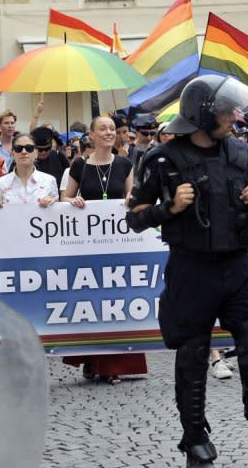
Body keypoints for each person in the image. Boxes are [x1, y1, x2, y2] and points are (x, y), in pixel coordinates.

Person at [126, 74, 248, 467]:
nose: (233, 118)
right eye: (224, 112)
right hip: (191, 268)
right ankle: (196, 439)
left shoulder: (244, 154)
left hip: (239, 267)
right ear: (203, 115)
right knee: (192, 354)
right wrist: (169, 209)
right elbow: (134, 217)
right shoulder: (163, 159)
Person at [61, 116, 147, 383]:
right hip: (86, 244)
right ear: (92, 135)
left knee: (115, 300)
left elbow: (131, 196)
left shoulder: (124, 164)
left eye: (112, 129)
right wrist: (72, 201)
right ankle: (92, 360)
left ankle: (114, 367)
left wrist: (130, 200)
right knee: (91, 300)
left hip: (116, 242)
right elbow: (64, 196)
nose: (109, 132)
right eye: (103, 129)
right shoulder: (80, 165)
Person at [0, 133, 58, 207]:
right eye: (18, 148)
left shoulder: (50, 181)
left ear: (36, 153)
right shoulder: (0, 183)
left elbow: (57, 212)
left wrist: (52, 202)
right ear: (12, 153)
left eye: (29, 148)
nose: (24, 152)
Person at [32, 126, 69, 191]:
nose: (43, 152)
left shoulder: (59, 157)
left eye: (47, 149)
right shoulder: (26, 159)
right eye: (40, 150)